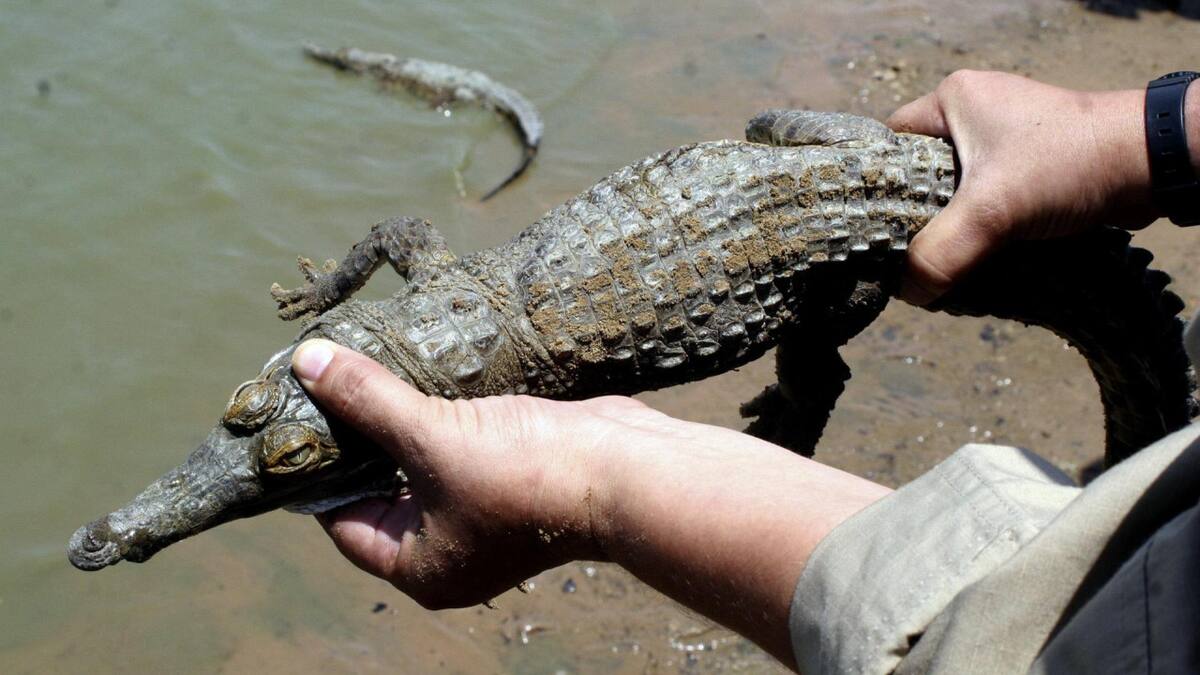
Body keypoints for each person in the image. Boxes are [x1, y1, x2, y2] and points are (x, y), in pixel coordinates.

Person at [288, 71, 1200, 673]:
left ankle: (801, 414)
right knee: (772, 133)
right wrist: (1150, 134)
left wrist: (595, 483)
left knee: (812, 333)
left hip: (843, 238)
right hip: (869, 180)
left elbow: (1010, 637)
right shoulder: (440, 278)